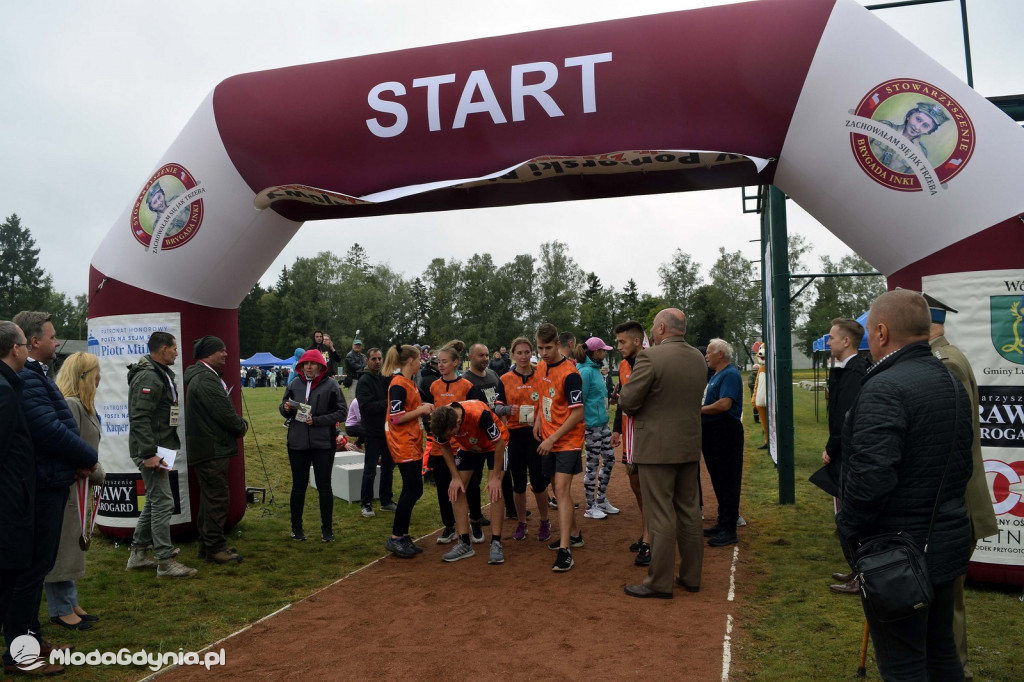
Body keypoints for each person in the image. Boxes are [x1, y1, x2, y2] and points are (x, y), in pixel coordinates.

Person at [837, 290, 972, 680]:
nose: (868, 339)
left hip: (898, 554)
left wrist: (850, 531)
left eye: (868, 331)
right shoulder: (948, 378)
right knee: (940, 651)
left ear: (881, 332)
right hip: (943, 542)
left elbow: (871, 479)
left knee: (903, 663)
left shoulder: (885, 387)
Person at [5, 311, 97, 672]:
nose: (57, 342)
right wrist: (86, 457)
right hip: (40, 485)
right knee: (30, 571)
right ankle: (20, 652)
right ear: (31, 343)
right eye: (52, 336)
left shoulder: (31, 375)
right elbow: (49, 429)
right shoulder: (25, 377)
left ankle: (31, 638)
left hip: (45, 481)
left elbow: (56, 423)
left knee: (37, 567)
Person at [924, 292, 999, 680]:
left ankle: (957, 670)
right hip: (955, 499)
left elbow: (953, 439)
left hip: (957, 501)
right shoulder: (945, 357)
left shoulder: (946, 363)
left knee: (948, 600)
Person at [619, 309, 706, 598]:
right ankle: (691, 576)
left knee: (659, 514)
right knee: (689, 511)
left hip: (656, 448)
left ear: (661, 328)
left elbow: (629, 401)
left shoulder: (650, 357)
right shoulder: (698, 357)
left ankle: (659, 582)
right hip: (688, 444)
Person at [0, 321, 65, 677]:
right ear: (16, 348)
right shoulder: (6, 391)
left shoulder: (10, 385)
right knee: (16, 577)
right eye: (25, 343)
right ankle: (19, 655)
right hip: (12, 501)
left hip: (17, 496)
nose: (27, 349)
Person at [124, 331, 196, 577]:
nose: (177, 352)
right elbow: (139, 418)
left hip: (159, 448)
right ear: (163, 349)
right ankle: (164, 561)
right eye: (174, 348)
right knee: (164, 502)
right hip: (152, 451)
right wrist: (148, 454)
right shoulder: (149, 376)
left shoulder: (159, 373)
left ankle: (138, 555)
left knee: (155, 500)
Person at [46, 352, 106, 629]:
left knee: (71, 545)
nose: (100, 376)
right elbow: (68, 448)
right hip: (70, 487)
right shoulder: (71, 405)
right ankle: (60, 609)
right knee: (63, 548)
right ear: (84, 376)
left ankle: (70, 602)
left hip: (80, 487)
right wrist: (97, 472)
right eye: (96, 372)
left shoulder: (83, 405)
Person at [811, 319, 870, 595]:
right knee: (846, 514)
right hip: (846, 452)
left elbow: (845, 418)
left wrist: (831, 449)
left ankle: (862, 574)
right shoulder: (848, 369)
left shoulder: (855, 372)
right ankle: (856, 568)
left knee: (850, 516)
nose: (829, 342)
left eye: (832, 338)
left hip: (849, 454)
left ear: (847, 341)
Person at [183, 336, 249, 564]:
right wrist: (241, 426)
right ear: (209, 354)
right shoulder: (206, 380)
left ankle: (207, 544)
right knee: (217, 498)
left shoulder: (203, 376)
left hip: (207, 447)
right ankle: (214, 548)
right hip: (212, 448)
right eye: (221, 350)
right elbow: (224, 413)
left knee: (210, 498)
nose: (226, 354)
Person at [280, 349, 347, 542]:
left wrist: (317, 420)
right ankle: (296, 529)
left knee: (324, 486)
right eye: (305, 364)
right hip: (297, 443)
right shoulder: (294, 383)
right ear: (300, 366)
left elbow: (342, 412)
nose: (308, 367)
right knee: (298, 486)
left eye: (312, 363)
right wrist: (285, 408)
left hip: (323, 443)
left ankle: (327, 530)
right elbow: (284, 406)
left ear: (320, 366)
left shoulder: (332, 385)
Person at [432, 400, 510, 564]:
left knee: (495, 489)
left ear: (458, 422)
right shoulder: (441, 422)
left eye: (451, 434)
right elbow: (444, 447)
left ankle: (496, 542)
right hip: (470, 447)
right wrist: (455, 477)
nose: (449, 438)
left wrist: (495, 477)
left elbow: (499, 443)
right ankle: (464, 542)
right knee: (457, 489)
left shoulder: (479, 415)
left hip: (495, 446)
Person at [534, 323, 586, 572]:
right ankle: (574, 535)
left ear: (557, 344)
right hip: (549, 436)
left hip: (567, 439)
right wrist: (538, 420)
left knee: (562, 490)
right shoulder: (541, 366)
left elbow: (577, 414)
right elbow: (544, 397)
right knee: (556, 487)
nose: (543, 353)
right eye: (540, 348)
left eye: (547, 348)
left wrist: (552, 438)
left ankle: (565, 551)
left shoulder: (570, 373)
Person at [421, 340, 482, 541]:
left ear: (456, 362)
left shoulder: (467, 386)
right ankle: (449, 526)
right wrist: (432, 427)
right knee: (443, 487)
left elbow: (475, 414)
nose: (440, 365)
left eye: (445, 361)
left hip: (464, 446)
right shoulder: (434, 386)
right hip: (440, 447)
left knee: (470, 486)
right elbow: (429, 412)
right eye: (439, 361)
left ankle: (475, 521)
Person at [495, 337, 551, 542]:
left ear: (531, 353)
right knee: (518, 483)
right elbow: (497, 407)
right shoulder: (505, 379)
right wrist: (508, 409)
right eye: (519, 353)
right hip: (515, 436)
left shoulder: (541, 377)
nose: (524, 356)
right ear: (513, 355)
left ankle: (545, 521)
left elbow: (548, 403)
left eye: (527, 352)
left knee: (538, 481)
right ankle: (521, 522)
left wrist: (540, 420)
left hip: (536, 435)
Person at [382, 344, 433, 558]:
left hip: (411, 441)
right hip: (403, 443)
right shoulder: (398, 384)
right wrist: (421, 410)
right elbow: (396, 417)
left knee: (412, 490)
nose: (421, 362)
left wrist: (423, 408)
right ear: (411, 361)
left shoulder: (408, 382)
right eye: (419, 359)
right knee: (413, 490)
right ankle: (396, 537)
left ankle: (401, 535)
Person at [611, 320, 651, 565]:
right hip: (630, 435)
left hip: (649, 435)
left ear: (637, 341)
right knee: (636, 484)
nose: (619, 347)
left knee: (651, 487)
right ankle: (647, 530)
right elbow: (622, 399)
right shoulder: (623, 365)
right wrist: (617, 429)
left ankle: (650, 539)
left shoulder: (652, 362)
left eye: (622, 342)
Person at [463, 343, 517, 521]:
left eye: (486, 355)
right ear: (470, 357)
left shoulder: (493, 374)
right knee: (475, 476)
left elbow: (499, 402)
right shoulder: (466, 380)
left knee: (503, 471)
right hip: (478, 438)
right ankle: (476, 514)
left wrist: (504, 424)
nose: (485, 359)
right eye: (481, 355)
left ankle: (511, 508)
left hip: (497, 433)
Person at [701, 338, 744, 548]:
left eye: (709, 352)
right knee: (719, 479)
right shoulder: (717, 374)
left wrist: (697, 410)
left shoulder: (730, 374)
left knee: (728, 480)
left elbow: (724, 404)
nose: (706, 356)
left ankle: (729, 528)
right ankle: (723, 521)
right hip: (713, 432)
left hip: (725, 431)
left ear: (720, 354)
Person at [574, 337, 619, 520]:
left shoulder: (595, 369)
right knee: (592, 465)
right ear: (595, 352)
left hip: (602, 423)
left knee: (609, 459)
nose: (605, 353)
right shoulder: (585, 371)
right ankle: (589, 506)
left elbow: (598, 395)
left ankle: (600, 500)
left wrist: (611, 398)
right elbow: (580, 400)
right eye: (603, 350)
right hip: (591, 426)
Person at [356, 348, 396, 517]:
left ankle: (386, 500)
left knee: (388, 468)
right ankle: (366, 503)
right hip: (372, 431)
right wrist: (388, 403)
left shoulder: (385, 377)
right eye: (374, 359)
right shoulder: (364, 380)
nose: (378, 361)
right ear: (367, 361)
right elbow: (366, 406)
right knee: (370, 469)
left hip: (387, 430)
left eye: (380, 358)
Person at [869, 101, 949, 174]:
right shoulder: (884, 127)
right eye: (918, 119)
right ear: (909, 116)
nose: (917, 127)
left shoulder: (919, 154)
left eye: (925, 126)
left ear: (928, 131)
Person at [752, 346, 768, 449]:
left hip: (770, 401)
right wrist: (754, 399)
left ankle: (775, 442)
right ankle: (767, 442)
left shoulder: (773, 367)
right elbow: (756, 385)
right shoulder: (761, 369)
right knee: (764, 424)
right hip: (761, 401)